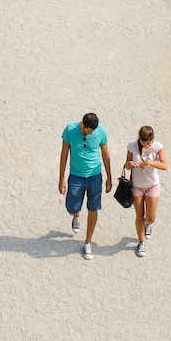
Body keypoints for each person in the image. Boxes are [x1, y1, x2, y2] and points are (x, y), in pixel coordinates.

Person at [58, 111, 112, 260]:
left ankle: (88, 242)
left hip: (95, 176)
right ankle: (76, 214)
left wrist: (109, 177)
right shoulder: (70, 130)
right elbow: (64, 154)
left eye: (93, 131)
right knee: (72, 207)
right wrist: (61, 179)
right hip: (76, 175)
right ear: (82, 124)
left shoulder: (101, 131)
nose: (91, 133)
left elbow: (105, 154)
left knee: (93, 208)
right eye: (88, 131)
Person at [126, 125, 168, 258]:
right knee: (139, 216)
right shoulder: (132, 146)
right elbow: (126, 165)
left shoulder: (158, 146)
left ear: (153, 140)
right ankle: (141, 242)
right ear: (139, 139)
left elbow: (165, 165)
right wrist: (129, 165)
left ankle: (148, 224)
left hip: (152, 185)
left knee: (151, 217)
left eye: (148, 143)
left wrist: (150, 162)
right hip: (137, 186)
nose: (146, 146)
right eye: (143, 143)